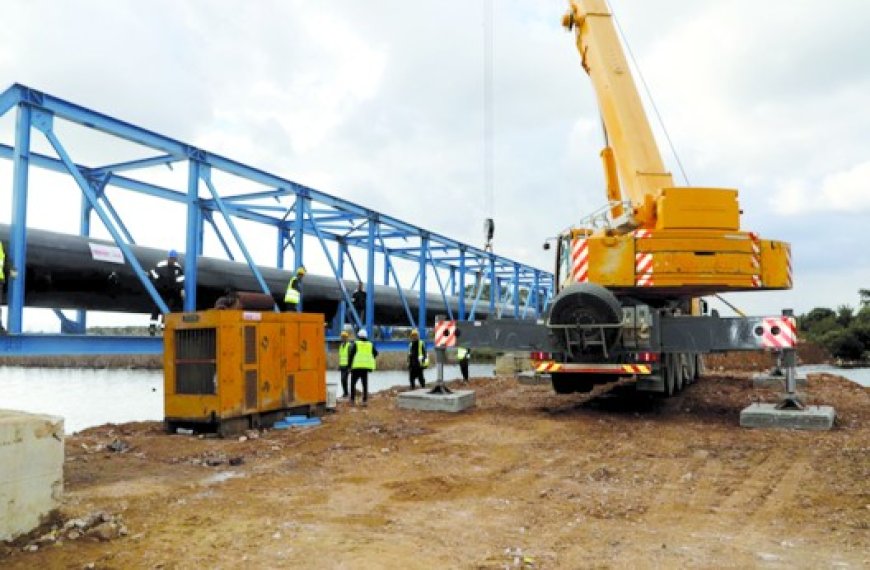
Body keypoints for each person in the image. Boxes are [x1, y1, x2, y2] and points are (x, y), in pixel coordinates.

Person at [148, 249, 184, 336]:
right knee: (156, 308)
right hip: (160, 290)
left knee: (168, 308)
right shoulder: (161, 265)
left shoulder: (178, 268)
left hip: (171, 291)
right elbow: (153, 273)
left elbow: (181, 279)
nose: (172, 260)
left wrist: (181, 289)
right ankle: (152, 327)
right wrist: (155, 280)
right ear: (168, 257)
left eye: (174, 259)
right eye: (171, 258)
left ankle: (164, 327)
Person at [347, 328, 377, 406]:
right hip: (365, 368)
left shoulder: (356, 343)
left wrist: (349, 366)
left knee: (353, 384)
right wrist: (370, 357)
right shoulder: (370, 344)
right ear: (366, 336)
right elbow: (376, 353)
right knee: (364, 384)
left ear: (359, 336)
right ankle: (364, 401)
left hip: (356, 367)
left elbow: (351, 355)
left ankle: (352, 401)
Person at [337, 330, 352, 399]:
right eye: (342, 337)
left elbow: (350, 356)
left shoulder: (349, 346)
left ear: (347, 338)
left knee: (344, 379)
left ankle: (346, 393)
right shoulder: (341, 346)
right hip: (342, 366)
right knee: (342, 380)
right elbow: (341, 357)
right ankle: (345, 393)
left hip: (347, 366)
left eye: (344, 337)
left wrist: (350, 367)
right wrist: (339, 365)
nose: (343, 338)